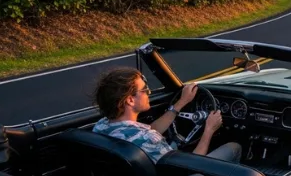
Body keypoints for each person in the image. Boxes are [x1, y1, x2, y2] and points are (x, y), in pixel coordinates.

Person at [91, 67, 242, 163]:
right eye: (144, 90)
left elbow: (150, 130)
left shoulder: (102, 126)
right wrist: (209, 129)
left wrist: (180, 103)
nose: (148, 93)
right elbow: (193, 167)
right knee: (234, 147)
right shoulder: (149, 139)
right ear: (130, 100)